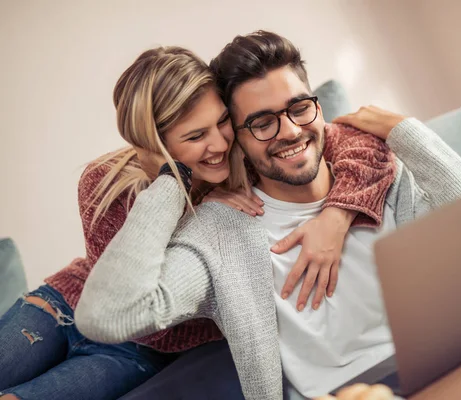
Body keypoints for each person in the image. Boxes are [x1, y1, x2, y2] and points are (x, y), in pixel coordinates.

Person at [75, 31, 461, 400]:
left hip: (460, 361)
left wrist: (403, 130)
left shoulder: (379, 174)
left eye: (299, 107)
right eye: (260, 122)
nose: (288, 130)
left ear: (317, 106)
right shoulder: (219, 234)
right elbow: (107, 315)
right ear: (236, 135)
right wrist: (173, 179)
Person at [0, 46, 398, 400]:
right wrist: (175, 185)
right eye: (195, 136)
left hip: (140, 348)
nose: (221, 144)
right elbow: (126, 298)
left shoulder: (252, 151)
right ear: (155, 144)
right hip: (65, 304)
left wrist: (337, 213)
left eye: (222, 122)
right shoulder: (107, 182)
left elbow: (348, 140)